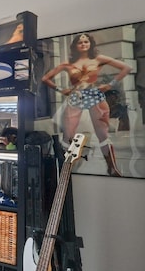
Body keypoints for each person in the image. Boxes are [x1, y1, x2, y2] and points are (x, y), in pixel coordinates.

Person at [42, 32, 131, 176]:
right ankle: (66, 167)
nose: (83, 44)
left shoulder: (98, 59)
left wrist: (110, 85)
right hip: (76, 97)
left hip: (95, 96)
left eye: (86, 42)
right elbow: (46, 78)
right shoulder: (68, 64)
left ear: (90, 44)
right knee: (68, 134)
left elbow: (126, 68)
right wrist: (61, 89)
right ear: (75, 45)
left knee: (102, 134)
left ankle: (112, 167)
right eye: (80, 42)